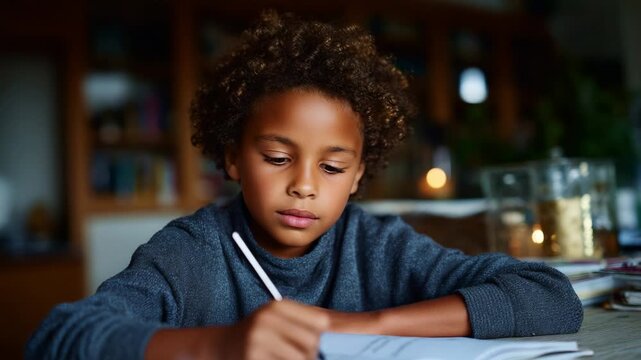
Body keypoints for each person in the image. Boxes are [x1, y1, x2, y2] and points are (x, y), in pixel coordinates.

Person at [27, 11, 582, 360]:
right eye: (276, 157)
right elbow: (58, 337)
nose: (304, 187)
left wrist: (360, 326)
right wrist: (217, 346)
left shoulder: (378, 245)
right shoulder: (191, 254)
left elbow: (551, 296)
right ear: (233, 157)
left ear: (359, 175)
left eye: (333, 168)